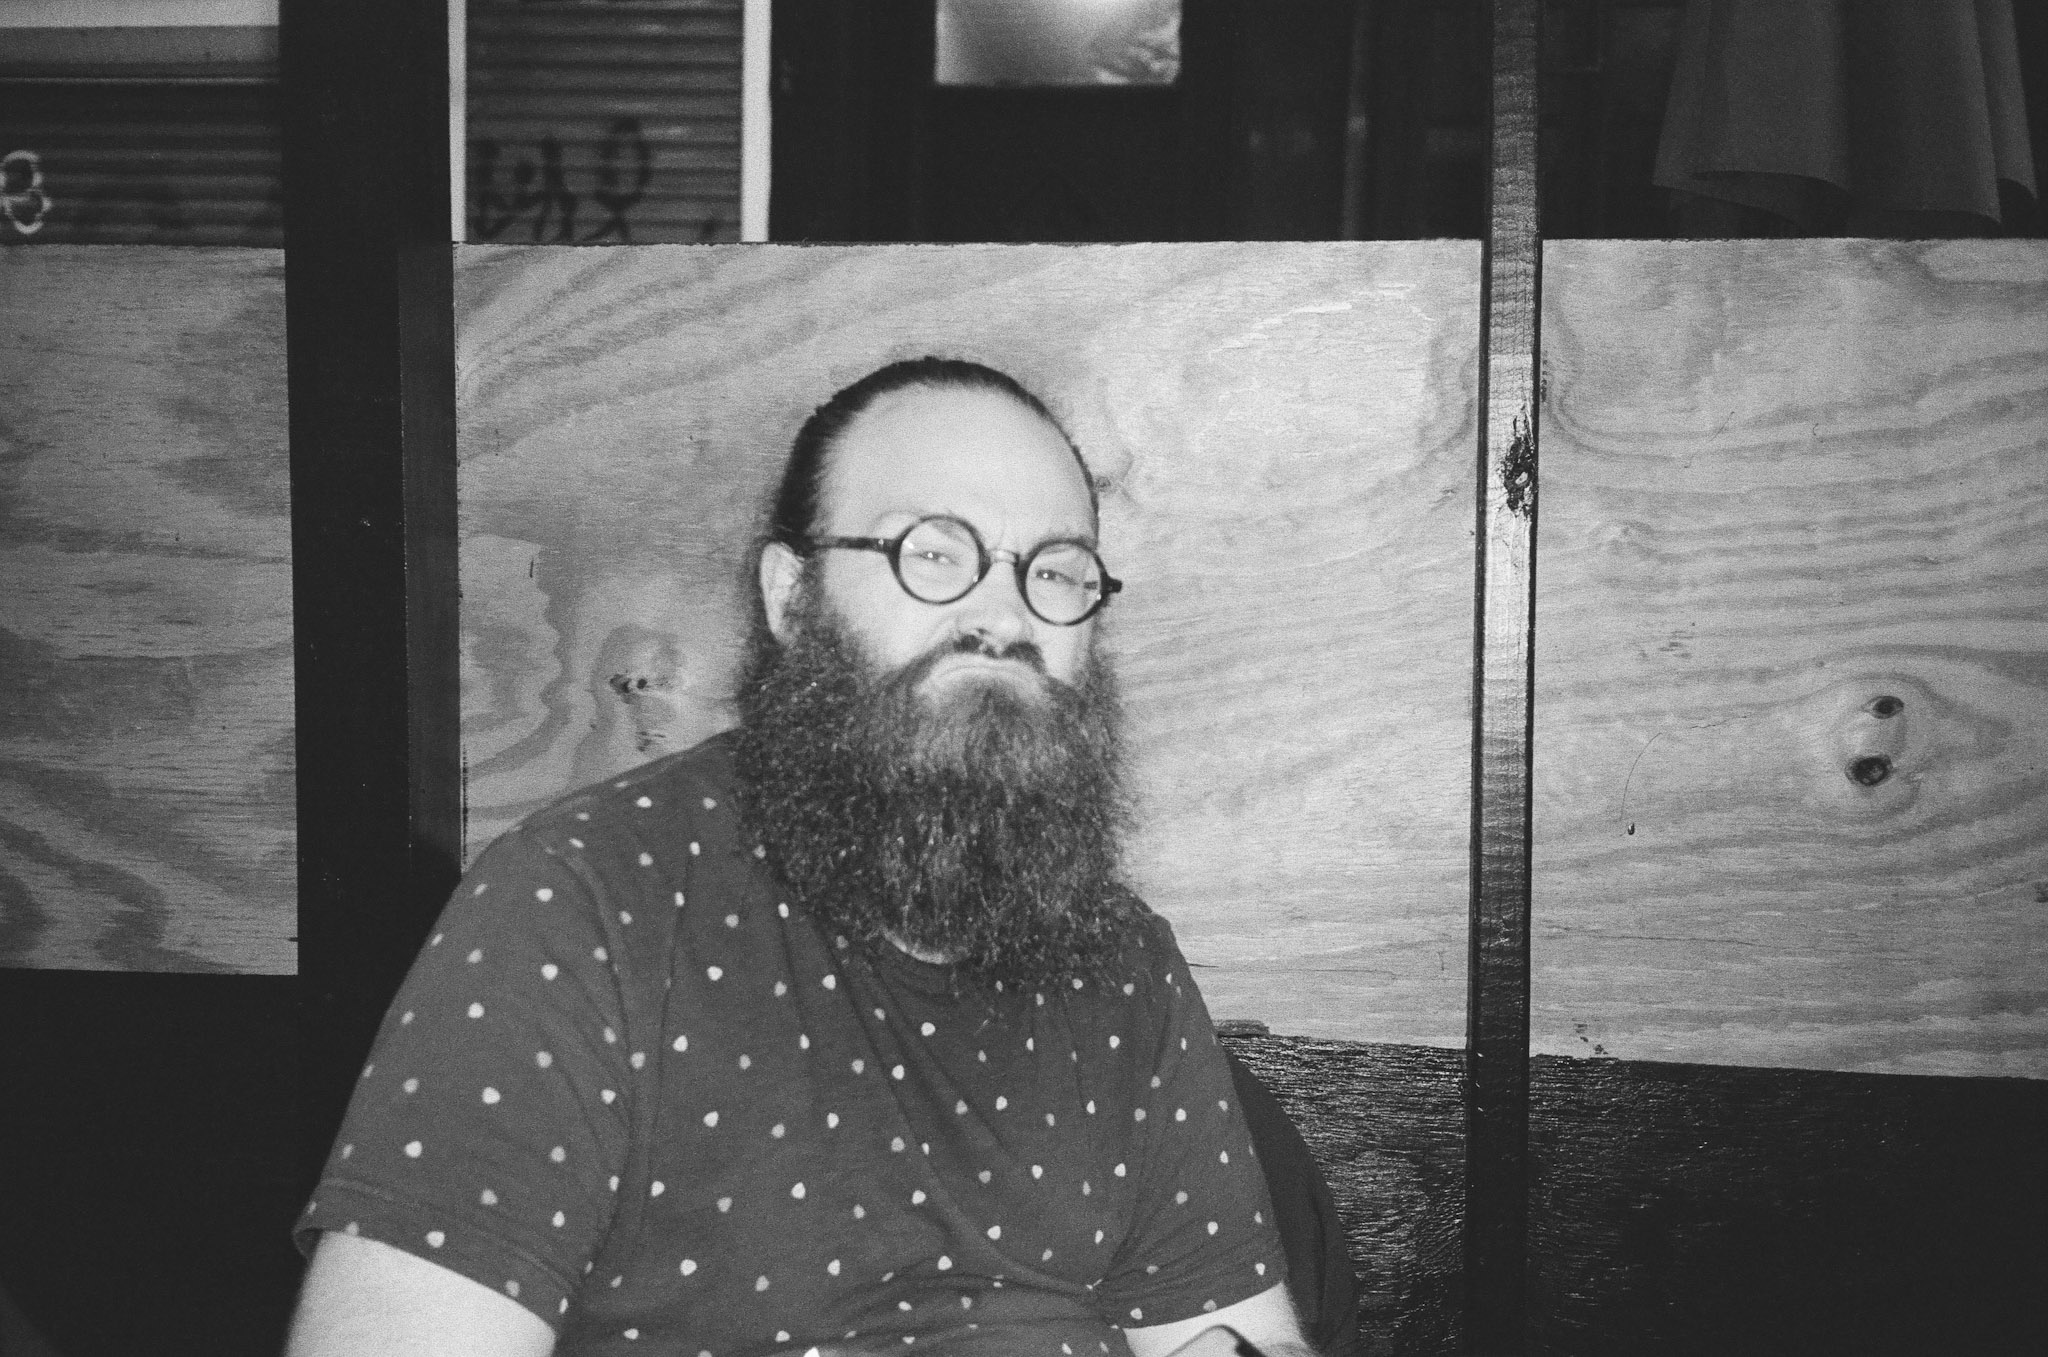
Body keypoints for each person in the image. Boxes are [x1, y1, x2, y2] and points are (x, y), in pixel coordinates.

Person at [286, 357, 1333, 1357]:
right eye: (933, 550)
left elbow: (1242, 1327)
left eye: (1055, 571)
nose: (1003, 614)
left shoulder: (1123, 962)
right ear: (791, 597)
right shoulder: (580, 905)